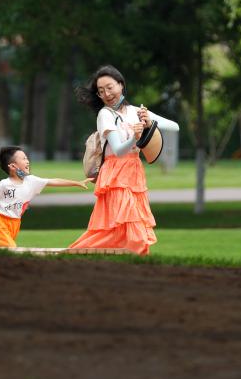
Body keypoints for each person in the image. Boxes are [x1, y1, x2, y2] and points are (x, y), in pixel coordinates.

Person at [69, 65, 179, 256]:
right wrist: (134, 137)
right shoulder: (105, 115)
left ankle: (124, 266)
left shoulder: (136, 111)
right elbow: (119, 151)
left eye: (110, 87)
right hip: (115, 174)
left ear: (121, 85)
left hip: (134, 172)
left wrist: (149, 122)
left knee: (121, 229)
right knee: (128, 230)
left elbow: (174, 127)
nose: (106, 93)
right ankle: (74, 256)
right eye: (101, 91)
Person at [0, 146, 90, 248]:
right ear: (12, 166)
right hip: (0, 223)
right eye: (23, 158)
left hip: (16, 224)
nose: (27, 161)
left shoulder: (31, 181)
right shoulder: (3, 185)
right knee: (11, 248)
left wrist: (77, 182)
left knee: (0, 248)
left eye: (27, 158)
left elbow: (53, 181)